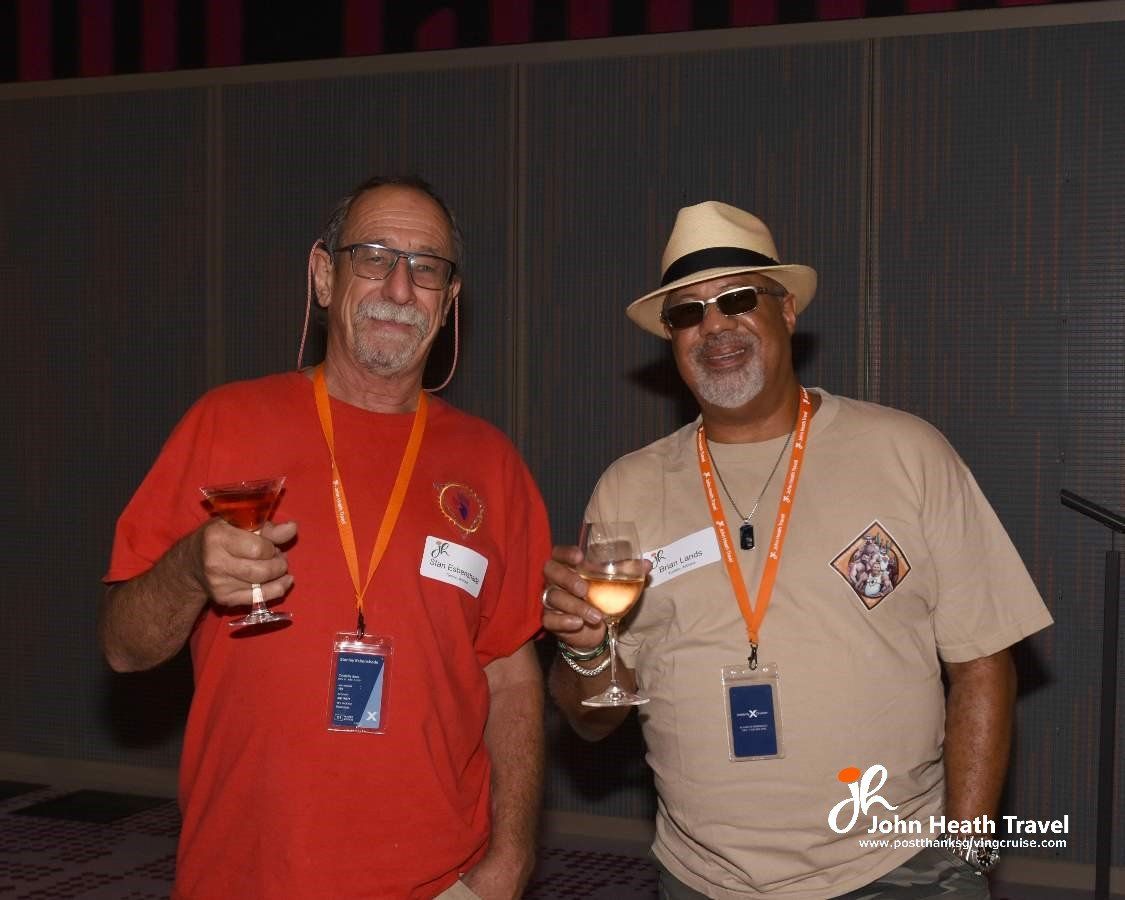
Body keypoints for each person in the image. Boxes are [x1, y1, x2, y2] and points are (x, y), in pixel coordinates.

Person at [541, 201, 1053, 899]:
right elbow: (592, 720)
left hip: (892, 869)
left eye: (737, 299)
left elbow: (983, 665)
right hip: (700, 879)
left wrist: (961, 858)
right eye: (687, 313)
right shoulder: (627, 489)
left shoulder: (906, 453)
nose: (713, 326)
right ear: (671, 339)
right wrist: (580, 647)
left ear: (786, 312)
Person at [100, 175, 550, 899]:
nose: (400, 289)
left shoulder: (490, 463)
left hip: (442, 880)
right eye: (373, 256)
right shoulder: (225, 423)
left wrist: (510, 858)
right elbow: (124, 649)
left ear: (449, 300)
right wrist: (188, 568)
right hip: (246, 874)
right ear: (322, 275)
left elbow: (511, 677)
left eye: (426, 267)